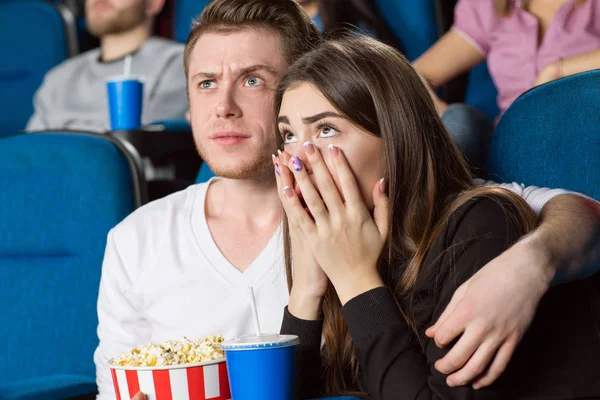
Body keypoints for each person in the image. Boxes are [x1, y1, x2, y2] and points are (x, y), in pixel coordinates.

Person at [93, 1, 600, 399]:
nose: (224, 106)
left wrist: (534, 260)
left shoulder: (465, 219)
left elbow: (569, 207)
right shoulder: (332, 236)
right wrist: (309, 291)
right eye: (291, 134)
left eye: (252, 80)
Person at [274, 34, 600, 399]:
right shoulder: (352, 246)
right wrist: (306, 290)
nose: (298, 159)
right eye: (288, 134)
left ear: (396, 137)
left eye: (326, 129)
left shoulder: (482, 221)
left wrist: (355, 280)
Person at [413, 0, 600, 171]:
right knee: (460, 121)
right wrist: (443, 115)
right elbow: (411, 76)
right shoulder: (489, 6)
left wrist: (558, 70)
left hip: (582, 141)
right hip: (509, 148)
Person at [26, 0, 188, 133]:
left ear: (153, 3)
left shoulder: (180, 62)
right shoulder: (59, 76)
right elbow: (30, 151)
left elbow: (145, 142)